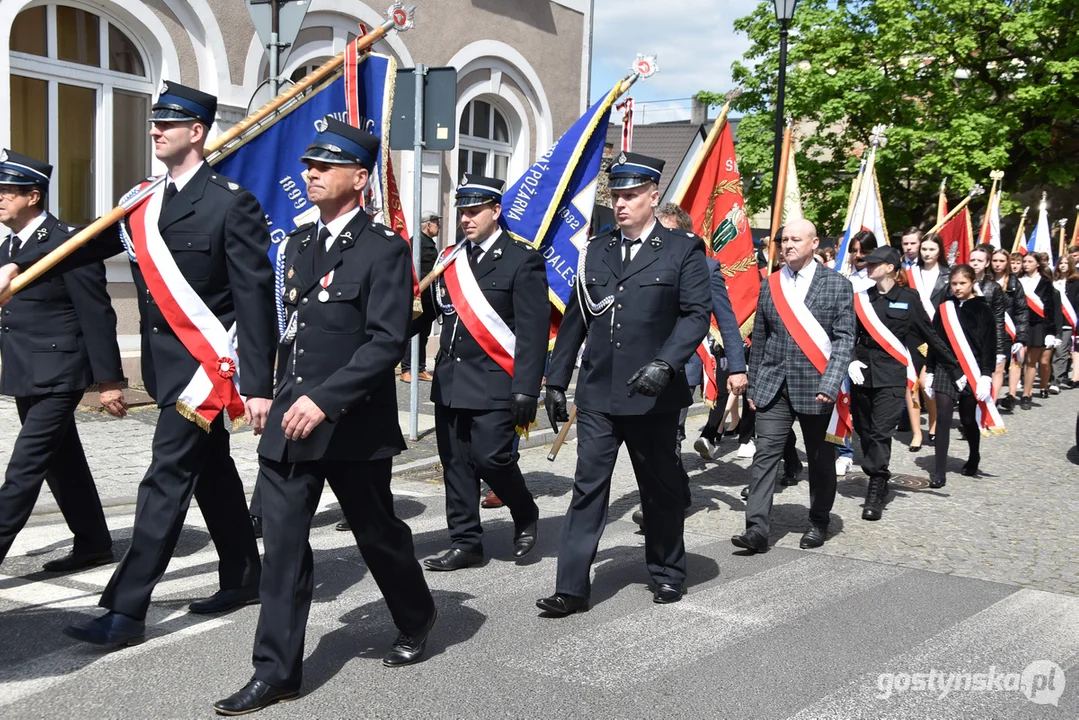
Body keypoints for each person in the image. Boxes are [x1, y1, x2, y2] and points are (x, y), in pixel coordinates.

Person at [29, 81, 276, 647]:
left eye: (168, 123)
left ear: (197, 132)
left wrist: (257, 385)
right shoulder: (142, 198)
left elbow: (256, 301)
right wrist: (21, 268)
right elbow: (85, 246)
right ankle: (243, 575)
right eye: (154, 122)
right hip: (165, 372)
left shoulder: (229, 202)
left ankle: (125, 609)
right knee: (211, 474)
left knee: (163, 480)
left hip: (204, 373)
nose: (154, 129)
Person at [213, 119, 436, 716]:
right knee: (283, 549)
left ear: (359, 179)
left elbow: (385, 341)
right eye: (308, 165)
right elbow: (276, 327)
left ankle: (416, 614)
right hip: (291, 419)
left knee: (377, 535)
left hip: (351, 424)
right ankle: (276, 672)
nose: (310, 173)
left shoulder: (384, 248)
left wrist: (326, 399)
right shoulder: (297, 244)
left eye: (326, 165)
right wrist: (261, 390)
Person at [539, 152, 710, 614]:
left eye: (632, 195)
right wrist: (556, 380)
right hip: (598, 393)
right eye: (616, 194)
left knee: (659, 487)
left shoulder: (682, 250)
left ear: (654, 197)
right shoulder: (597, 249)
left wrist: (666, 364)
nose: (621, 203)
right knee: (588, 487)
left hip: (653, 394)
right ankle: (571, 587)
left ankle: (668, 571)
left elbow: (696, 316)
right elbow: (577, 317)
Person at [0, 149, 125, 572]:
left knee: (24, 468)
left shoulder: (69, 244)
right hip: (24, 371)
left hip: (60, 373)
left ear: (33, 196)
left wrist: (109, 381)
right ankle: (93, 542)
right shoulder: (9, 248)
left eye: (6, 191)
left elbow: (97, 312)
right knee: (61, 460)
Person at [420, 175, 547, 572]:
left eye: (474, 211)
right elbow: (428, 313)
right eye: (462, 212)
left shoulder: (521, 259)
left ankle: (525, 511)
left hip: (495, 379)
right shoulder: (450, 259)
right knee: (455, 464)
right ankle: (466, 542)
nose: (466, 219)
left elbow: (532, 331)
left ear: (496, 211)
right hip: (451, 380)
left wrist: (527, 388)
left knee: (491, 460)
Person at [732, 218, 855, 553]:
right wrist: (755, 384)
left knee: (820, 457)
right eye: (783, 240)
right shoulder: (771, 284)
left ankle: (818, 520)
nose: (787, 246)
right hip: (773, 385)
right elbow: (761, 338)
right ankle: (756, 528)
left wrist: (831, 382)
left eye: (795, 240)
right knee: (765, 456)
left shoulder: (837, 284)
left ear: (814, 243)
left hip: (818, 386)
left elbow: (844, 340)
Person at [632, 203, 746, 529]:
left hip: (681, 366)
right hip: (641, 364)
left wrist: (737, 367)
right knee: (649, 438)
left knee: (670, 436)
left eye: (667, 231)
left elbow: (726, 321)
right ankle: (678, 491)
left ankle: (657, 502)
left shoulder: (706, 268)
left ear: (684, 234)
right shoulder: (640, 263)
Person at [847, 247, 955, 520]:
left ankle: (877, 483)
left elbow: (930, 335)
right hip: (862, 374)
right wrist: (849, 360)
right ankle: (877, 473)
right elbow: (847, 334)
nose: (868, 267)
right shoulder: (861, 299)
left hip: (892, 376)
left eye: (874, 263)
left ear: (891, 268)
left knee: (882, 431)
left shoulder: (908, 298)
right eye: (867, 263)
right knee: (864, 430)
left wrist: (955, 369)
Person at [925, 265, 996, 487]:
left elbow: (989, 344)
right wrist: (929, 370)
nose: (957, 288)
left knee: (967, 419)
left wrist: (986, 375)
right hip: (946, 369)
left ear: (973, 282)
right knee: (943, 418)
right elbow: (934, 341)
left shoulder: (982, 309)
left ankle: (974, 454)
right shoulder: (944, 308)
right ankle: (939, 471)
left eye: (962, 283)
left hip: (972, 369)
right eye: (954, 284)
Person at [905, 233, 950, 449]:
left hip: (938, 336)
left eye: (931, 249)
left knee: (927, 383)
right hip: (913, 335)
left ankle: (933, 423)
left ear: (940, 250)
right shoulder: (909, 274)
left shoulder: (948, 276)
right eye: (924, 249)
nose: (927, 253)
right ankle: (917, 433)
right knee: (911, 384)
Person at [400, 210, 440, 382]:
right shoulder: (416, 242)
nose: (439, 226)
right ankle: (407, 369)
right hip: (418, 295)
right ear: (428, 225)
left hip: (428, 296)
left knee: (424, 333)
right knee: (412, 332)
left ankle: (420, 368)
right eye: (436, 222)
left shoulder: (428, 242)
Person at [1017, 252, 1059, 408]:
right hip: (1019, 323)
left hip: (1037, 325)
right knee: (1017, 360)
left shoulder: (1045, 283)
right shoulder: (1017, 281)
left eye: (1029, 261)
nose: (1025, 264)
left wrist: (1051, 332)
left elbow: (1049, 308)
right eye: (1024, 261)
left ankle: (1026, 395)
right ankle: (1012, 393)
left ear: (1038, 264)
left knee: (1031, 361)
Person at [991, 248, 1029, 410]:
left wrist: (1020, 337)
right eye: (995, 261)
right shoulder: (985, 281)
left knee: (1001, 367)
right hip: (987, 330)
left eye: (1001, 261)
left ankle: (996, 402)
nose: (998, 264)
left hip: (1008, 330)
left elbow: (1021, 310)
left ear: (1007, 263)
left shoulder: (1014, 283)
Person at [969, 244, 1009, 397]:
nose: (975, 263)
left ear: (987, 263)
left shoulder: (993, 288)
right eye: (972, 260)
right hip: (966, 339)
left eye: (979, 260)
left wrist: (999, 349)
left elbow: (998, 319)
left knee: (984, 378)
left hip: (985, 339)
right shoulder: (959, 284)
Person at [1050, 254, 1079, 391]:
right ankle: (1049, 377)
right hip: (1052, 322)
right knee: (1049, 352)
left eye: (1066, 263)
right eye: (1060, 263)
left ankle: (1056, 381)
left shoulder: (1075, 283)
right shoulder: (1052, 281)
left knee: (1061, 352)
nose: (1062, 265)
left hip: (1067, 322)